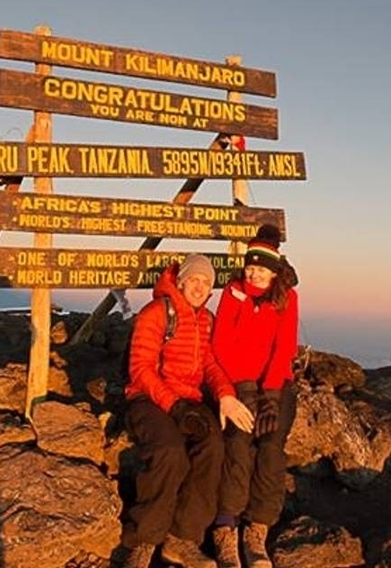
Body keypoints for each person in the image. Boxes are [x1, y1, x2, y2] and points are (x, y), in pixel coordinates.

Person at [116, 255, 255, 568]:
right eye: (195, 280)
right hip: (148, 399)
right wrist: (174, 407)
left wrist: (226, 396)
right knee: (169, 452)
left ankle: (182, 539)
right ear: (181, 281)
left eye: (206, 283)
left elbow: (209, 364)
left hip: (188, 401)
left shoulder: (205, 319)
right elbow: (140, 369)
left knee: (213, 446)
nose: (200, 286)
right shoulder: (156, 312)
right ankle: (144, 541)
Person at [208, 225, 300, 568]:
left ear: (274, 271)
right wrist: (243, 386)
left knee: (272, 444)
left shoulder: (286, 297)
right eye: (250, 267)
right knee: (238, 441)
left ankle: (256, 530)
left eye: (261, 268)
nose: (254, 274)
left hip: (275, 384)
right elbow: (221, 343)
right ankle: (225, 526)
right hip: (239, 384)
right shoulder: (232, 292)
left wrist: (272, 394)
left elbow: (284, 347)